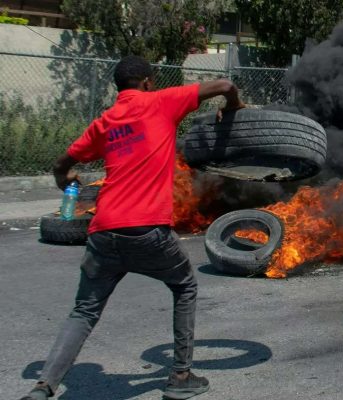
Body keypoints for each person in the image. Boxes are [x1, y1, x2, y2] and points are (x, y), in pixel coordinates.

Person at [20, 55, 245, 400]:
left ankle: (43, 386)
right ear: (148, 82)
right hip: (147, 230)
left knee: (83, 311)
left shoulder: (106, 121)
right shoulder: (161, 102)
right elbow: (226, 85)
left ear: (118, 87)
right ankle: (180, 376)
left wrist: (63, 180)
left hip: (103, 231)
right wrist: (234, 106)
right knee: (184, 286)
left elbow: (62, 162)